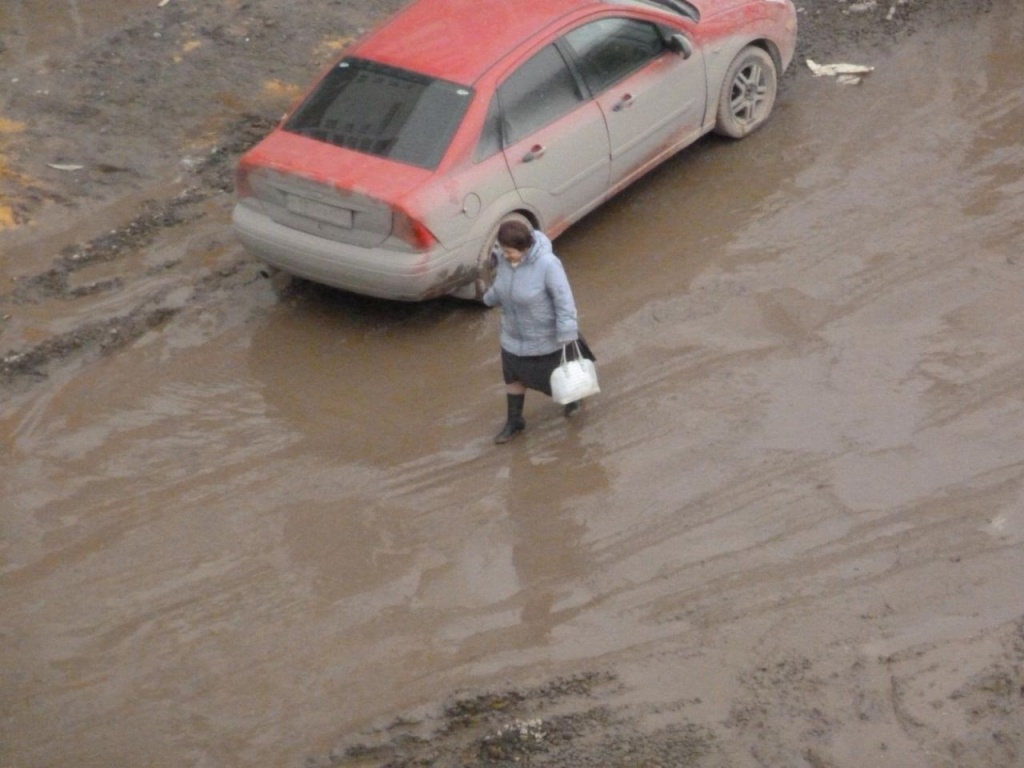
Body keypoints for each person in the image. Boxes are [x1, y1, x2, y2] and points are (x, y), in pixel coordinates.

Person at [483, 220, 595, 444]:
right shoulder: (505, 261)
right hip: (514, 336)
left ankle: (572, 399)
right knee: (514, 377)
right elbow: (502, 286)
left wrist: (567, 332)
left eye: (510, 252)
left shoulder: (548, 264)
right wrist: (489, 298)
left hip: (546, 338)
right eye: (504, 250)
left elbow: (564, 299)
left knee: (558, 378)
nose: (506, 255)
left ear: (524, 247)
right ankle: (514, 421)